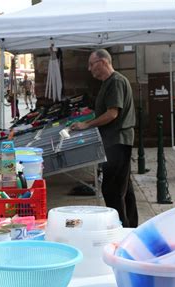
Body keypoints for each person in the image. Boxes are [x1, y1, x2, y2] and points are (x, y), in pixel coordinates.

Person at [70, 49, 137, 227]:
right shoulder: (110, 82)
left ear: (103, 62)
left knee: (112, 189)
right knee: (124, 187)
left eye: (92, 64)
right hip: (115, 140)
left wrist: (87, 125)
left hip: (117, 141)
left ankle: (120, 228)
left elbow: (112, 113)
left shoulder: (115, 81)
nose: (89, 69)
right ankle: (130, 226)